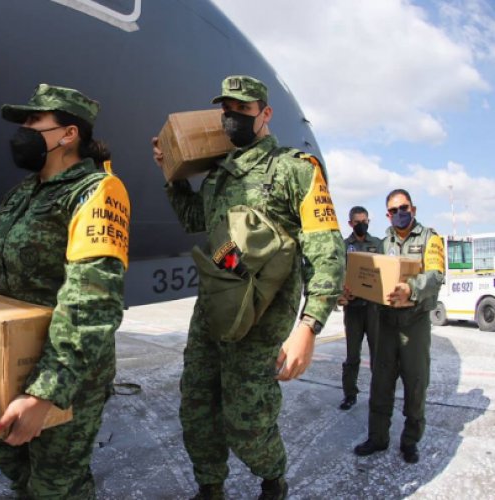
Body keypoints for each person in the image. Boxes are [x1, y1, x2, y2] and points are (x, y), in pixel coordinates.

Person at [152, 75, 345, 499]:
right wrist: (173, 176)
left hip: (264, 314)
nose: (233, 118)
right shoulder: (219, 174)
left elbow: (327, 248)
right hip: (214, 306)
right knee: (197, 406)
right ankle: (210, 487)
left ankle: (272, 479)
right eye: (228, 110)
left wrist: (309, 326)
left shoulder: (295, 168)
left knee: (247, 418)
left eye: (243, 110)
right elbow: (193, 221)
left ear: (265, 114)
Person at [0, 84, 129, 498]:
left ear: (68, 134)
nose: (22, 131)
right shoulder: (23, 194)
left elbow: (93, 301)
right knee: (10, 462)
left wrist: (47, 393)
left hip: (67, 376)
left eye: (33, 121)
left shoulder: (97, 191)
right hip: (9, 363)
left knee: (55, 485)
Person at [353, 189, 444, 464]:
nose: (399, 214)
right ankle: (378, 438)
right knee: (380, 383)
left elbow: (436, 275)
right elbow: (368, 278)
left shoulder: (431, 238)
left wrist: (411, 289)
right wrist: (350, 291)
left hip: (415, 324)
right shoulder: (383, 244)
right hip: (386, 324)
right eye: (393, 210)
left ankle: (410, 441)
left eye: (404, 208)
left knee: (416, 383)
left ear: (413, 209)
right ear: (387, 215)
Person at [337, 206, 382, 410]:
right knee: (352, 355)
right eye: (357, 222)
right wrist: (341, 293)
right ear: (350, 224)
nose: (362, 225)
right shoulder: (344, 246)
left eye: (365, 221)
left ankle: (380, 394)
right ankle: (349, 394)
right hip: (353, 309)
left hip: (373, 309)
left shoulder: (378, 244)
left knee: (378, 355)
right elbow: (338, 274)